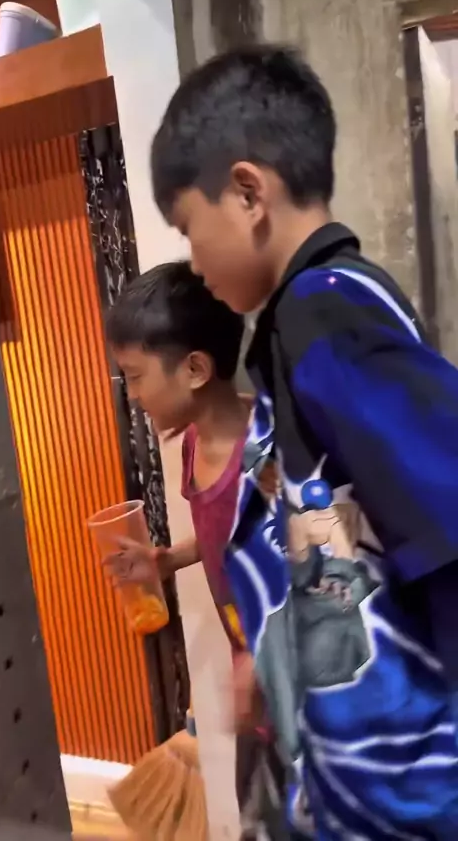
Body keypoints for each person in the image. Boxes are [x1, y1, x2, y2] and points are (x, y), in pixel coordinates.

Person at [150, 44, 458, 839]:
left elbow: (448, 516)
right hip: (358, 789)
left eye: (189, 228)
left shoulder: (325, 314)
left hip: (408, 798)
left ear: (248, 192)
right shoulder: (305, 324)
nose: (195, 261)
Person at [104, 260, 289, 840]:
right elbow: (223, 540)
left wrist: (261, 658)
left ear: (195, 369)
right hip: (260, 703)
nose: (133, 395)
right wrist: (167, 559)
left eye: (136, 376)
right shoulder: (192, 446)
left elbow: (319, 568)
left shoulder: (266, 461)